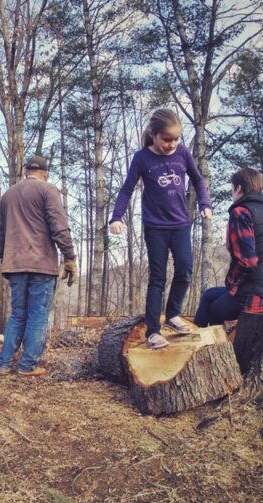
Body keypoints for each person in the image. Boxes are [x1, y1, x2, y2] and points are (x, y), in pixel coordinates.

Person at [109, 108, 212, 349]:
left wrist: (204, 203)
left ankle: (173, 314)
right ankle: (153, 331)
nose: (172, 144)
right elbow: (126, 189)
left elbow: (198, 179)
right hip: (155, 226)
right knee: (158, 277)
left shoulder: (183, 153)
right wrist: (116, 217)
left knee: (185, 269)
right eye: (167, 139)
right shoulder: (142, 158)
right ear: (154, 135)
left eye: (176, 139)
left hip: (180, 224)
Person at [0, 155, 77, 376]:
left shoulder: (8, 195)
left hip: (15, 264)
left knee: (18, 314)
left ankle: (3, 364)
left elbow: (0, 232)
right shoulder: (48, 190)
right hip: (40, 263)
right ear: (45, 173)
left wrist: (4, 257)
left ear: (25, 172)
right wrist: (69, 258)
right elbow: (59, 226)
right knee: (38, 315)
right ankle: (27, 366)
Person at [194, 167, 263, 327]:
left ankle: (205, 346)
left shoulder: (241, 212)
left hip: (254, 298)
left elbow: (247, 261)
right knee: (209, 294)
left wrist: (232, 285)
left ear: (239, 188)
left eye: (232, 188)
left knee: (212, 309)